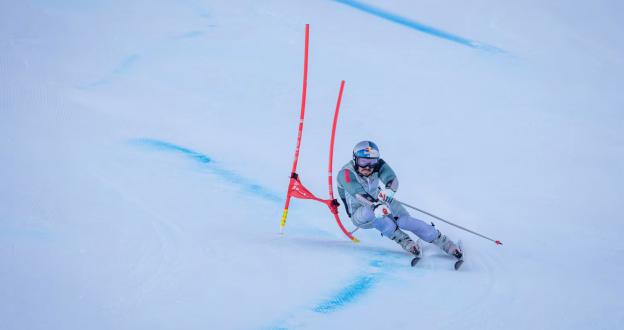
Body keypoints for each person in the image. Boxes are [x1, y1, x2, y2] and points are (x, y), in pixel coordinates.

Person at [337, 140, 463, 259]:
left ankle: (445, 243)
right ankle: (404, 240)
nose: (368, 167)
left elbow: (392, 179)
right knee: (373, 213)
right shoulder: (345, 173)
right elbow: (357, 193)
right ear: (355, 159)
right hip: (361, 214)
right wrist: (375, 206)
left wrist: (389, 191)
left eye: (372, 162)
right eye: (363, 162)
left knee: (405, 221)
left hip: (380, 202)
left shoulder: (377, 165)